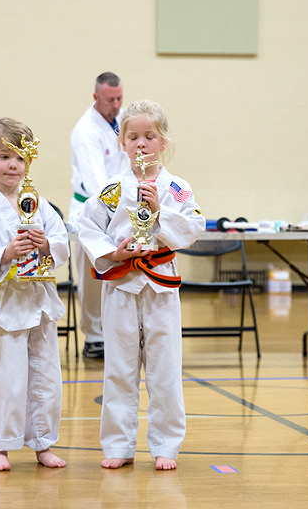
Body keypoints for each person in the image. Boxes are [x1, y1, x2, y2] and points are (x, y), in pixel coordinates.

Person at [77, 100, 205, 470]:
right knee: (119, 367)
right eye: (133, 137)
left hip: (161, 285)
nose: (141, 143)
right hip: (122, 283)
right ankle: (118, 445)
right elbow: (88, 226)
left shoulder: (176, 188)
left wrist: (162, 214)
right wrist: (112, 253)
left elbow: (195, 225)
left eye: (150, 136)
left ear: (163, 142)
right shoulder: (112, 188)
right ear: (123, 144)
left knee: (165, 368)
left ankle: (166, 446)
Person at [0, 117, 69, 471]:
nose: (13, 165)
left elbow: (61, 244)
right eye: (4, 157)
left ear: (29, 162)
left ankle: (43, 444)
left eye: (20, 158)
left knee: (45, 378)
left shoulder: (38, 204)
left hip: (39, 303)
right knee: (5, 380)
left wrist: (46, 244)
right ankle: (0, 446)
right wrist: (6, 253)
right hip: (5, 306)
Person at [69, 72, 130, 359]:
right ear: (96, 97)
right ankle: (94, 337)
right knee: (92, 276)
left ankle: (120, 333)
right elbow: (96, 183)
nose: (116, 105)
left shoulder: (122, 121)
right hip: (92, 209)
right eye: (110, 100)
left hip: (122, 207)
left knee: (122, 271)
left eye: (119, 98)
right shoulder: (86, 132)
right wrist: (118, 209)